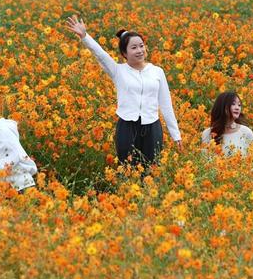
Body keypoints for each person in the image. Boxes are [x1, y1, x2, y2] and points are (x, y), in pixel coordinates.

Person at [66, 15, 182, 166]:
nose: (139, 50)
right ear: (124, 53)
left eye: (141, 46)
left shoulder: (157, 72)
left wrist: (176, 134)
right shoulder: (118, 71)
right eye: (134, 47)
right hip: (127, 127)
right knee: (128, 169)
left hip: (152, 127)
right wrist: (84, 36)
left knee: (152, 169)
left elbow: (166, 104)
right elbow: (100, 55)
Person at [201, 91, 253, 157]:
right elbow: (204, 161)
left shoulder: (246, 132)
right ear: (222, 106)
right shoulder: (207, 134)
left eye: (239, 105)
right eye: (233, 104)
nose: (237, 108)